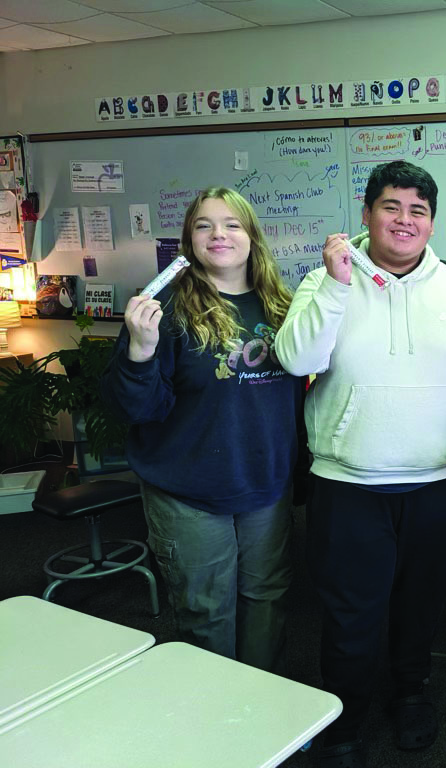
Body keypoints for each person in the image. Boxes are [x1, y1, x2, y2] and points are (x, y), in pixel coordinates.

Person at [274, 160, 446, 768]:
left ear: (431, 222)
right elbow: (297, 359)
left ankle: (410, 694)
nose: (404, 221)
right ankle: (343, 716)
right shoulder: (327, 278)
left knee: (421, 601)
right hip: (348, 484)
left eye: (417, 211)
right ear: (368, 211)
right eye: (391, 207)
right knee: (351, 608)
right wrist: (338, 284)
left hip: (436, 481)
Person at [100, 187, 303, 673]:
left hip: (265, 487)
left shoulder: (285, 305)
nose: (219, 234)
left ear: (252, 236)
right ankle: (217, 727)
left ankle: (263, 712)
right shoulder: (160, 309)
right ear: (189, 240)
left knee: (267, 602)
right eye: (204, 225)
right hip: (187, 491)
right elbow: (136, 409)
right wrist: (140, 351)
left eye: (232, 224)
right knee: (206, 613)